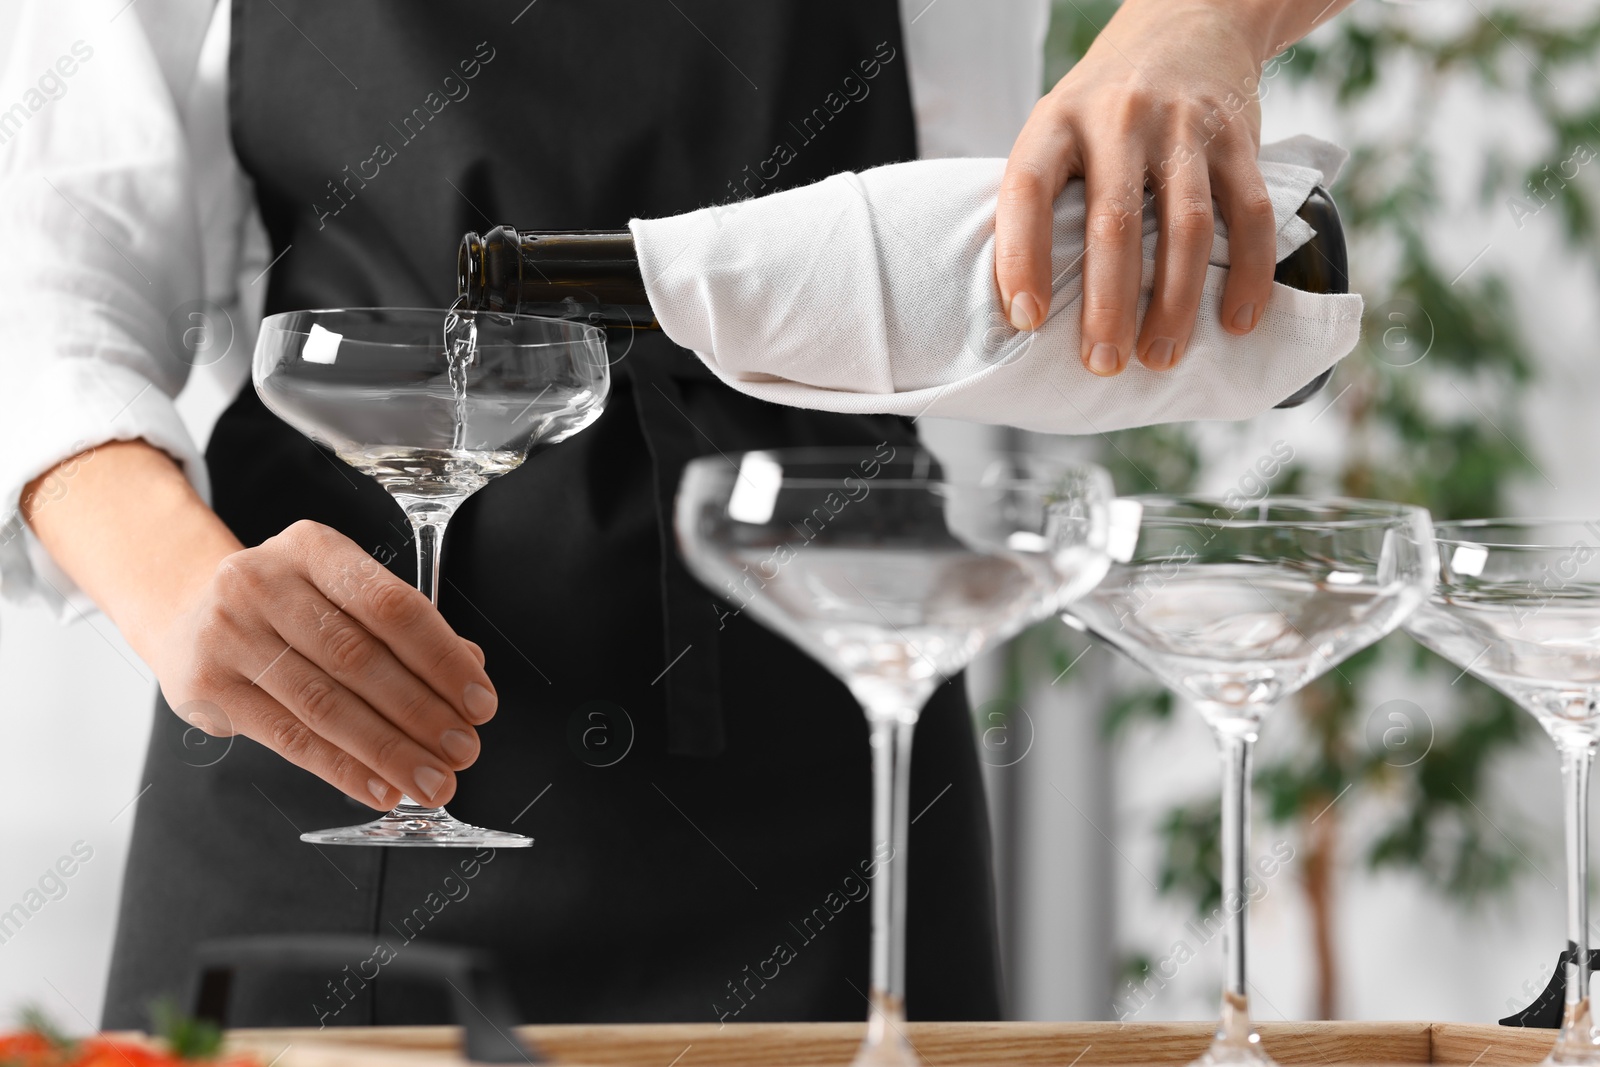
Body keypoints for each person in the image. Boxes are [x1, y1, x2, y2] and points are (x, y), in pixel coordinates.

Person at [0, 0, 1352, 1029]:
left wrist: (1199, 26)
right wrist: (174, 582)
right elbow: (52, 260)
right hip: (324, 721)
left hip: (826, 717)